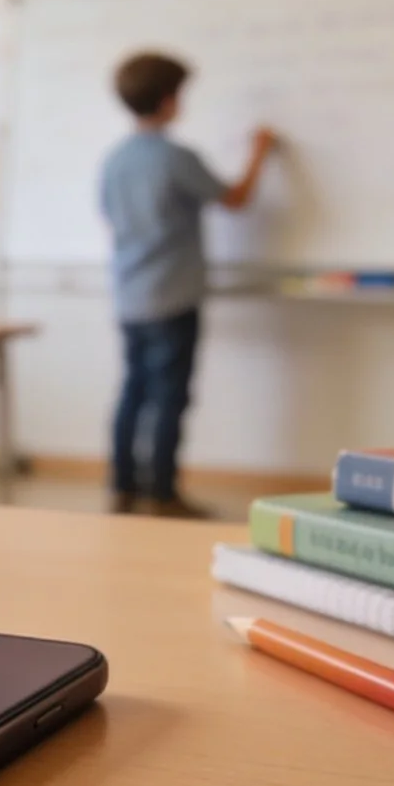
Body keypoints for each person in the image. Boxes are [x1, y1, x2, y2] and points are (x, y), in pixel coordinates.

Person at [99, 52, 280, 519]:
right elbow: (235, 199)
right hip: (172, 296)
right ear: (167, 99)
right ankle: (161, 493)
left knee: (133, 392)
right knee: (169, 399)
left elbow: (110, 218)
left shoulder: (115, 160)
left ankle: (122, 487)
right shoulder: (175, 158)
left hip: (129, 295)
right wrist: (259, 152)